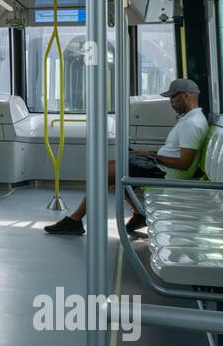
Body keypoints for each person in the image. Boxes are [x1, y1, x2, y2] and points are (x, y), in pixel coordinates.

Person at [43, 78, 208, 236]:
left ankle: (75, 221)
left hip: (166, 173)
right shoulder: (190, 119)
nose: (171, 102)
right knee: (107, 166)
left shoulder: (190, 124)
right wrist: (150, 154)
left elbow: (184, 163)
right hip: (160, 166)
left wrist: (155, 157)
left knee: (104, 174)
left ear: (187, 95)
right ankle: (138, 213)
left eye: (173, 97)